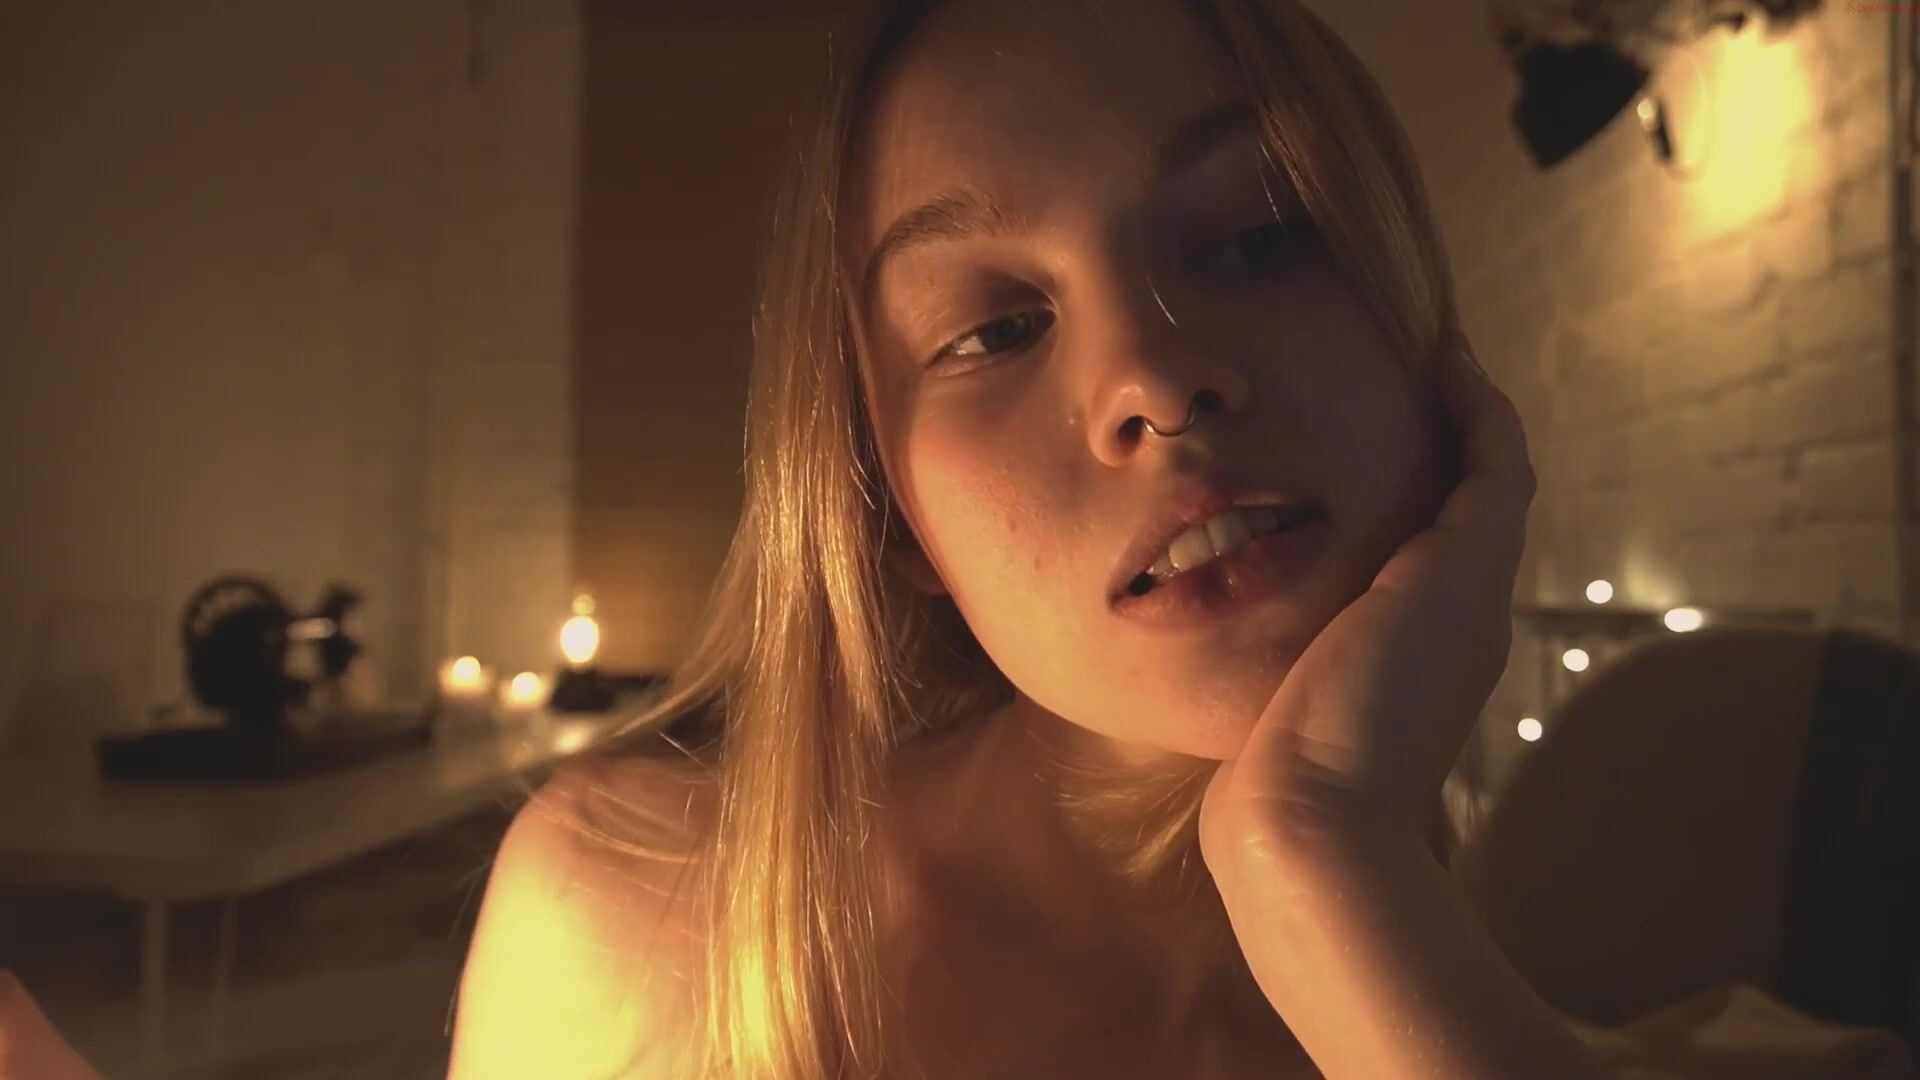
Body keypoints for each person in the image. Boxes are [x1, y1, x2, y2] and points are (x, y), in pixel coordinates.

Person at [449, 1, 1600, 1077]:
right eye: (994, 332)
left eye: (1255, 240)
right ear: (888, 514)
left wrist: (1323, 854)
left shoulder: (1518, 963)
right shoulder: (637, 926)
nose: (1153, 382)